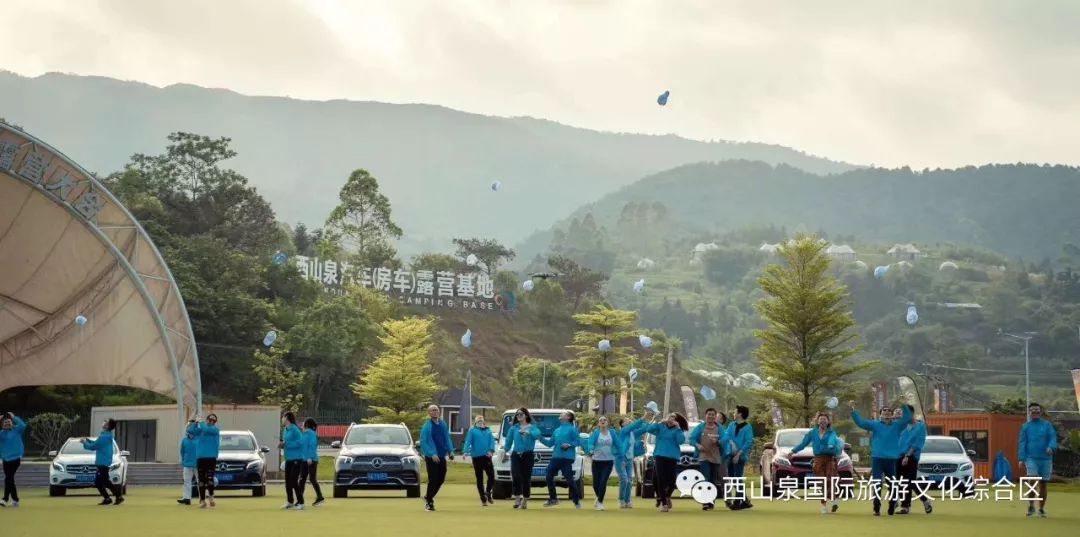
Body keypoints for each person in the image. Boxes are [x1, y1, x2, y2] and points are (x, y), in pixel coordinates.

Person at [851, 401, 911, 516]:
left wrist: (904, 405)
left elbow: (907, 418)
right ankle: (876, 507)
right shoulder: (875, 424)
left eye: (889, 411)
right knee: (877, 483)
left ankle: (892, 504)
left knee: (893, 484)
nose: (887, 412)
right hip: (877, 458)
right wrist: (854, 410)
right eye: (884, 411)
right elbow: (861, 423)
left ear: (892, 415)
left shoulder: (897, 425)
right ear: (880, 415)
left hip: (891, 459)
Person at [629, 409, 687, 512]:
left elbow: (681, 441)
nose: (671, 420)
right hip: (660, 456)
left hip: (672, 457)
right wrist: (659, 422)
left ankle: (667, 496)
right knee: (661, 480)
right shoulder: (661, 427)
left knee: (672, 481)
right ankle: (664, 503)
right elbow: (649, 429)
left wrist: (678, 428)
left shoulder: (677, 430)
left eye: (674, 418)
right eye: (670, 417)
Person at [788, 412, 843, 514]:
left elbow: (832, 440)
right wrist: (793, 451)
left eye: (824, 419)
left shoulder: (832, 433)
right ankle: (824, 506)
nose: (822, 421)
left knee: (830, 480)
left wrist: (831, 445)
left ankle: (834, 499)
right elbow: (803, 443)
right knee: (821, 482)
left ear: (828, 422)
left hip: (830, 459)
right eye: (821, 419)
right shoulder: (812, 433)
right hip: (818, 460)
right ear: (817, 421)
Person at [1018, 402, 1056, 518]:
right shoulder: (1025, 427)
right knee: (1033, 481)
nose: (1035, 412)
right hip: (1031, 458)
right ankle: (1031, 506)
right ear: (1029, 412)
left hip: (1046, 459)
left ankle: (1041, 509)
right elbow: (1022, 443)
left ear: (1040, 412)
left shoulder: (1047, 425)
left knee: (1043, 484)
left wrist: (1051, 447)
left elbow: (1052, 437)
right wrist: (1021, 458)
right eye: (1032, 410)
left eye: (1037, 410)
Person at [541, 410, 582, 509]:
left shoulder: (572, 429)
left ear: (568, 417)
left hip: (566, 459)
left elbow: (578, 441)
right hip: (556, 457)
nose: (561, 415)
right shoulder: (557, 430)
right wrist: (539, 437)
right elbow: (549, 444)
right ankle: (553, 499)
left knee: (569, 480)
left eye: (564, 414)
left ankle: (576, 501)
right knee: (548, 476)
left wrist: (569, 445)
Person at [690, 408, 729, 511]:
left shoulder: (719, 428)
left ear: (715, 417)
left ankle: (711, 501)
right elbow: (692, 439)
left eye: (713, 415)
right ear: (705, 415)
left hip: (716, 457)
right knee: (705, 479)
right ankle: (705, 502)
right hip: (704, 457)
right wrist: (698, 445)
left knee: (713, 480)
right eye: (709, 414)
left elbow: (725, 438)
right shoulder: (700, 427)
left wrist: (718, 441)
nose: (711, 416)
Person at [502, 407, 541, 510]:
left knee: (526, 477)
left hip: (528, 455)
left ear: (526, 416)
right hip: (516, 454)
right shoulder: (514, 428)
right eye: (517, 414)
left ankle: (525, 499)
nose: (519, 416)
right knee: (515, 475)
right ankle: (517, 498)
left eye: (521, 414)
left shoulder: (532, 427)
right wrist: (504, 452)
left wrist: (529, 433)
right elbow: (508, 441)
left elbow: (537, 435)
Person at [897, 406, 931, 515]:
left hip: (912, 456)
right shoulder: (901, 426)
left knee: (909, 481)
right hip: (898, 455)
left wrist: (907, 456)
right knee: (902, 481)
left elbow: (917, 443)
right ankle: (922, 501)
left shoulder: (920, 427)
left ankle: (907, 506)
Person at [419, 404, 453, 512]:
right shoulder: (427, 426)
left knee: (441, 479)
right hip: (431, 457)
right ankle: (429, 503)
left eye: (436, 410)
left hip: (441, 455)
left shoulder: (443, 424)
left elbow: (447, 438)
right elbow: (423, 442)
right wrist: (431, 453)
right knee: (433, 479)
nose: (435, 411)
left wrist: (450, 451)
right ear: (429, 413)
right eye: (432, 410)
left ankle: (428, 496)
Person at [81, 418, 124, 506]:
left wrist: (84, 443)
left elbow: (94, 446)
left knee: (105, 481)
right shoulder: (105, 436)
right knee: (99, 482)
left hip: (103, 462)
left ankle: (118, 496)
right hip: (102, 461)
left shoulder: (104, 436)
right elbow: (97, 443)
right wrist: (88, 441)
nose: (104, 423)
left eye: (106, 422)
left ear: (108, 426)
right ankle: (109, 498)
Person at [585, 416, 623, 510]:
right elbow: (590, 443)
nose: (602, 421)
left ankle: (600, 502)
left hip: (608, 461)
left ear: (607, 423)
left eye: (604, 420)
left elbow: (618, 445)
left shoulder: (612, 433)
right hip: (596, 461)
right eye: (600, 420)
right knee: (595, 484)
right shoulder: (595, 433)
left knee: (603, 482)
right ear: (598, 424)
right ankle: (599, 498)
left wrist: (622, 457)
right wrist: (590, 449)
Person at [187, 414, 221, 508]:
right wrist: (195, 423)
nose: (211, 422)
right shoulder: (201, 429)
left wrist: (201, 422)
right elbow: (190, 431)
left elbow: (206, 429)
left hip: (211, 457)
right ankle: (202, 500)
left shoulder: (215, 429)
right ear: (207, 420)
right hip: (201, 457)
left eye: (213, 421)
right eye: (210, 420)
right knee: (201, 480)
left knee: (210, 479)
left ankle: (211, 497)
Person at [463, 415, 497, 506]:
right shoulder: (472, 430)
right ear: (475, 422)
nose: (480, 421)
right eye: (478, 420)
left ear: (484, 421)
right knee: (479, 478)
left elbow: (492, 442)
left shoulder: (488, 430)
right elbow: (468, 441)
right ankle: (483, 499)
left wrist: (491, 451)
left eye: (481, 420)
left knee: (491, 476)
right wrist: (465, 451)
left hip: (487, 456)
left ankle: (488, 492)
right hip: (476, 457)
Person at [726, 405, 754, 510]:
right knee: (732, 478)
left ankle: (737, 502)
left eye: (735, 412)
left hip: (740, 456)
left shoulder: (747, 427)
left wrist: (738, 454)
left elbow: (748, 442)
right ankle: (745, 500)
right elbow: (726, 436)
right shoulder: (731, 425)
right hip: (730, 454)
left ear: (740, 414)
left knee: (737, 477)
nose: (734, 413)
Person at [615, 416, 644, 509]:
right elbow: (634, 426)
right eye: (626, 420)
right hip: (621, 458)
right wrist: (642, 417)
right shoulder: (623, 431)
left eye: (629, 419)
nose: (629, 421)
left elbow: (643, 428)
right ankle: (621, 500)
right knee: (624, 480)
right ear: (622, 424)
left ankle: (627, 501)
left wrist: (649, 419)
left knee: (629, 481)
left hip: (630, 459)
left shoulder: (632, 433)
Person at [1, 412, 27, 508]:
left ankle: (5, 499)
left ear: (12, 423)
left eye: (9, 422)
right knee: (9, 479)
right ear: (2, 425)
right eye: (5, 423)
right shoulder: (1, 434)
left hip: (16, 458)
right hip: (6, 459)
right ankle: (15, 500)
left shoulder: (17, 430)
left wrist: (14, 417)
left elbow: (23, 425)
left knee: (9, 478)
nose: (7, 424)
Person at [280, 412, 305, 510]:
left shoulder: (295, 430)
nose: (282, 419)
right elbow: (285, 442)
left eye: (283, 417)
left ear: (287, 418)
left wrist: (287, 444)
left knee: (294, 481)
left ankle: (301, 502)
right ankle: (290, 502)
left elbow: (300, 443)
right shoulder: (285, 430)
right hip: (288, 459)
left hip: (297, 459)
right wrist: (282, 444)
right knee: (287, 482)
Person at [301, 418, 325, 507]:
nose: (302, 424)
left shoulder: (311, 434)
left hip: (311, 460)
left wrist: (310, 457)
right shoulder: (304, 434)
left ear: (307, 424)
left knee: (311, 479)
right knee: (302, 479)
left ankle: (320, 497)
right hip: (304, 459)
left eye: (303, 423)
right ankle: (301, 499)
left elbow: (312, 446)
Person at [177, 429, 198, 505]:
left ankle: (202, 499)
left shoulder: (199, 439)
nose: (191, 434)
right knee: (186, 481)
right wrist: (183, 460)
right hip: (187, 464)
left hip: (197, 464)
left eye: (192, 433)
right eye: (189, 433)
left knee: (200, 482)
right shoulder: (184, 440)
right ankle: (187, 498)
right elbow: (182, 451)